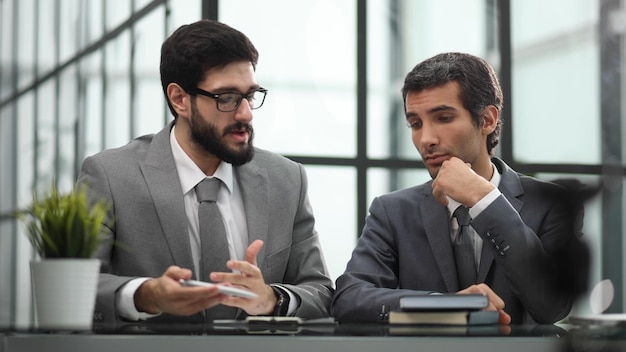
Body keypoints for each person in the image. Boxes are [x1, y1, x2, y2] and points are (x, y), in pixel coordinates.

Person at [77, 19, 333, 325]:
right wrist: (145, 294)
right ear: (179, 99)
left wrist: (270, 298)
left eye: (250, 95)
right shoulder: (109, 176)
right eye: (226, 98)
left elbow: (321, 292)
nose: (246, 113)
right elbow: (72, 284)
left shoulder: (286, 179)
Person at [331, 52, 586, 325]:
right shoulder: (392, 211)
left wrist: (485, 200)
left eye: (443, 118)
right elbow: (348, 300)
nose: (425, 139)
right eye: (415, 124)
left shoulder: (551, 203)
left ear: (487, 120)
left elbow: (552, 306)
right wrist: (444, 307)